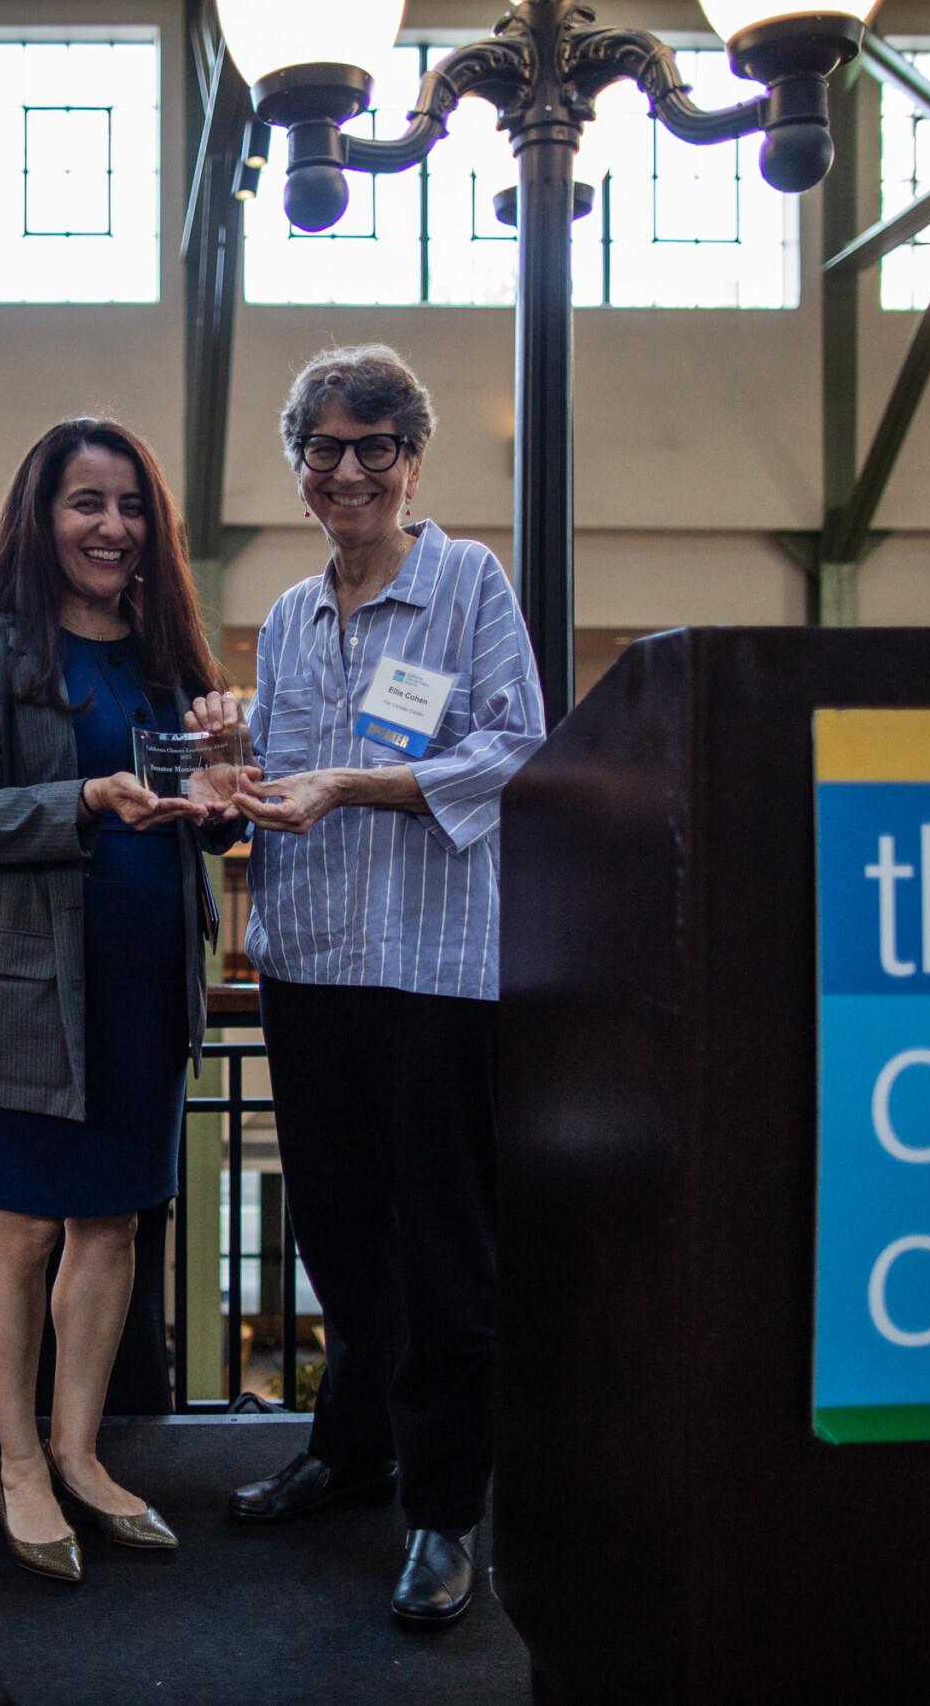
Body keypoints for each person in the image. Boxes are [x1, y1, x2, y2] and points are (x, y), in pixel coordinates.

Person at [206, 345, 544, 1628]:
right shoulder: (292, 616)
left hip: (432, 976)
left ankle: (444, 1511)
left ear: (412, 459)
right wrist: (234, 768)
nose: (347, 471)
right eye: (324, 448)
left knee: (443, 1255)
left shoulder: (467, 582)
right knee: (339, 1238)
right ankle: (351, 1451)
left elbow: (515, 750)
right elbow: (284, 773)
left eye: (374, 447)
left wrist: (348, 784)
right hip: (306, 968)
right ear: (299, 464)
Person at [0, 416, 241, 1584]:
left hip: (145, 989)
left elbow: (210, 819)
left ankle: (80, 1453)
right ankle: (17, 1463)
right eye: (86, 503)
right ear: (41, 518)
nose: (112, 527)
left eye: (131, 505)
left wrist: (227, 774)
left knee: (112, 1225)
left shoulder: (167, 656)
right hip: (25, 993)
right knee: (20, 1229)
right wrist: (88, 798)